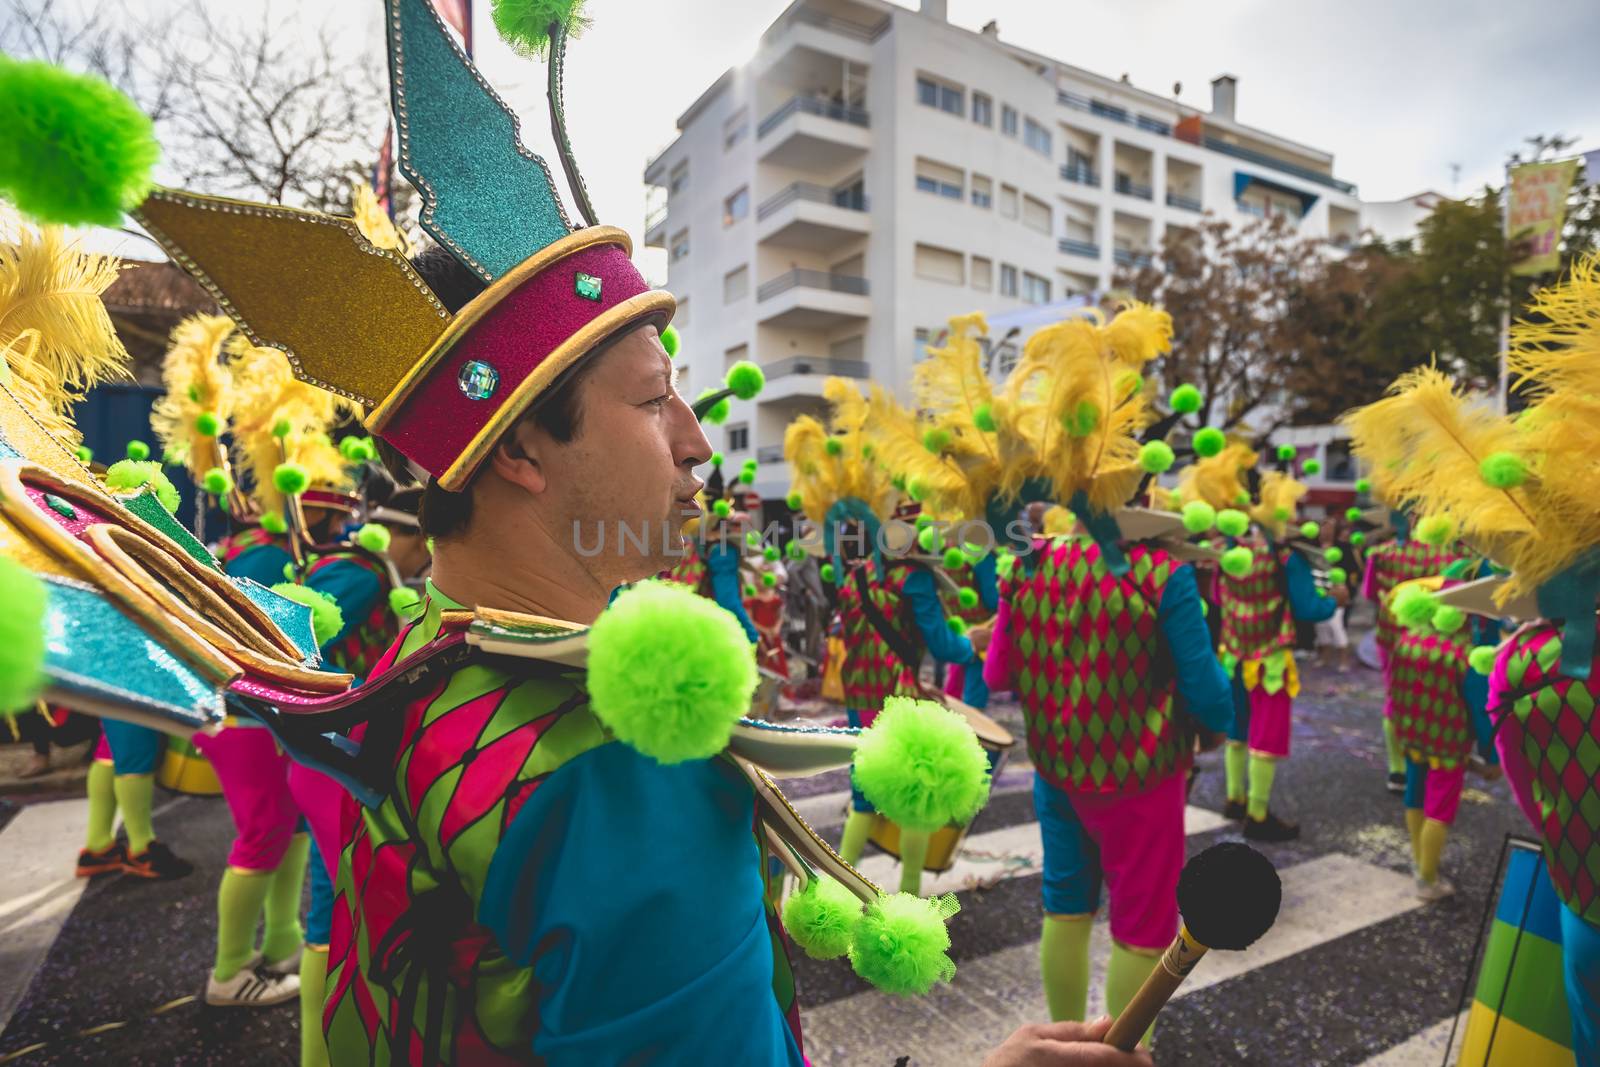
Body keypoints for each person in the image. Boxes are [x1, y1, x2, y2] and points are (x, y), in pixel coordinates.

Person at [973, 304, 1232, 1040]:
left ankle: (1063, 1045)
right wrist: (1217, 729)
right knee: (1143, 921)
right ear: (1142, 487)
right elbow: (1208, 691)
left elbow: (996, 671)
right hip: (1143, 774)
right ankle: (1118, 1053)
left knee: (1065, 903)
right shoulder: (1162, 574)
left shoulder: (1030, 568)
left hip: (1057, 767)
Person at [1214, 471, 1336, 842]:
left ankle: (1234, 799)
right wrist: (1334, 600)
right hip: (1269, 661)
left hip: (1233, 656)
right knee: (1266, 736)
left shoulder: (1227, 553)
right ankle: (1258, 812)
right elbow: (1308, 608)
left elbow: (1219, 599)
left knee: (1236, 731)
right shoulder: (1286, 559)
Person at [1359, 507, 1468, 794]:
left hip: (1392, 634)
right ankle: (1430, 759)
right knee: (1437, 696)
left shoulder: (1381, 553)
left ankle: (1398, 769)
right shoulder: (1453, 558)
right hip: (1436, 638)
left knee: (1394, 695)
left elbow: (1370, 593)